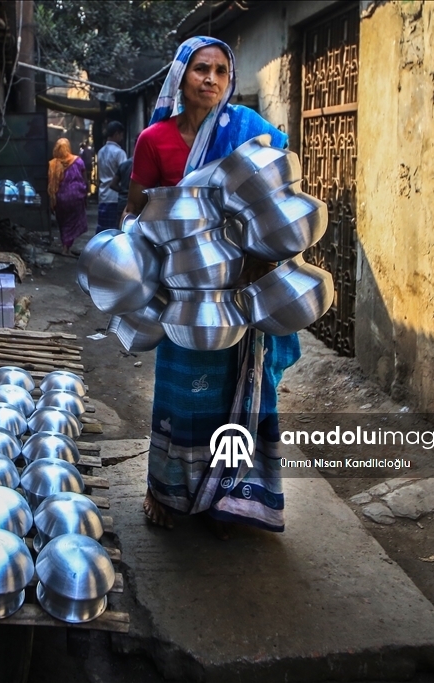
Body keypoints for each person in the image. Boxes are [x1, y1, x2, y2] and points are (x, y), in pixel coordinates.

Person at [123, 37, 302, 539]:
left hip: (242, 287)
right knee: (185, 394)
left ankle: (234, 495)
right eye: (201, 69)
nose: (211, 79)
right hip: (185, 292)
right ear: (180, 78)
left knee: (241, 391)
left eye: (222, 71)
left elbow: (280, 181)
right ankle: (167, 490)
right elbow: (135, 212)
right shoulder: (154, 140)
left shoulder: (246, 131)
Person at [48, 138, 88, 256]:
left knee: (63, 221)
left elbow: (52, 183)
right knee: (73, 221)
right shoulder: (78, 161)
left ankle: (65, 247)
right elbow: (85, 178)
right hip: (76, 196)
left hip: (60, 198)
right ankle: (66, 248)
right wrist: (85, 193)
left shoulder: (53, 164)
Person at [95, 121, 128, 233]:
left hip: (103, 195)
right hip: (115, 197)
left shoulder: (100, 152)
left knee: (103, 230)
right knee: (114, 231)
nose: (122, 138)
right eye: (121, 135)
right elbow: (124, 174)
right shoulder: (120, 153)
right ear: (116, 134)